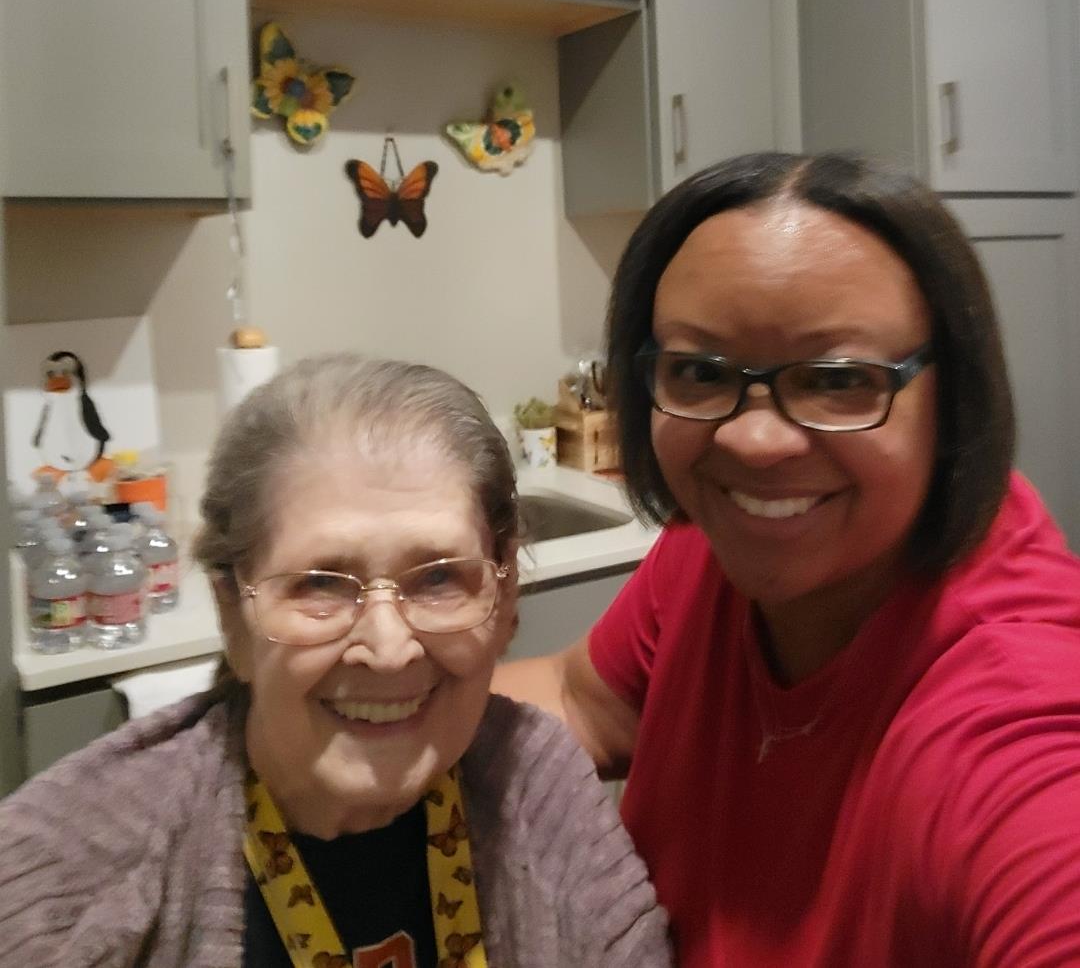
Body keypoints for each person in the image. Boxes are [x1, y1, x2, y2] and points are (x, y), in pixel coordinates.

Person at [495, 150, 1080, 967]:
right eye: (700, 371)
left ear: (951, 398)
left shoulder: (1015, 715)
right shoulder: (715, 550)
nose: (754, 442)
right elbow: (581, 700)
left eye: (837, 380)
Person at [0, 354, 671, 968]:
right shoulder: (71, 870)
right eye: (320, 583)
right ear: (233, 614)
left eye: (439, 577)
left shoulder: (539, 790)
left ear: (505, 599)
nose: (388, 650)